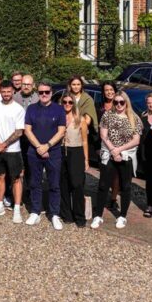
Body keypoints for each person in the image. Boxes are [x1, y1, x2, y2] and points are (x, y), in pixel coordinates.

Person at [91, 91, 141, 230]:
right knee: (103, 185)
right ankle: (98, 215)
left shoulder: (134, 118)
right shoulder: (108, 115)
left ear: (126, 102)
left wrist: (119, 150)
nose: (118, 105)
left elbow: (136, 140)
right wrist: (113, 150)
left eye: (121, 102)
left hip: (126, 155)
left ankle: (122, 216)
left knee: (125, 186)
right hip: (109, 153)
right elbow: (103, 134)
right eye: (116, 102)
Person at [23, 82, 67, 230]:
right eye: (41, 92)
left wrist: (47, 146)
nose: (43, 95)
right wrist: (38, 147)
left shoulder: (59, 109)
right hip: (34, 152)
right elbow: (27, 130)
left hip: (53, 152)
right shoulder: (31, 109)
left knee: (54, 184)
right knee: (35, 183)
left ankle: (54, 214)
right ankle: (35, 211)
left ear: (51, 92)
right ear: (38, 92)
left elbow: (61, 131)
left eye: (46, 92)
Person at [0, 80, 26, 224]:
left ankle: (16, 209)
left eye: (8, 91)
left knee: (16, 178)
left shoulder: (18, 109)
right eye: (3, 92)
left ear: (13, 92)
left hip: (13, 150)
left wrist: (4, 144)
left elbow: (19, 131)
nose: (6, 94)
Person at [58, 91, 89, 227]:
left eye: (70, 102)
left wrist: (86, 159)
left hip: (76, 151)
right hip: (60, 151)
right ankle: (66, 214)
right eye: (65, 102)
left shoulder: (80, 119)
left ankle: (79, 216)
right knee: (63, 183)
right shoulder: (59, 117)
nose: (67, 104)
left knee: (77, 185)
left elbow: (85, 141)